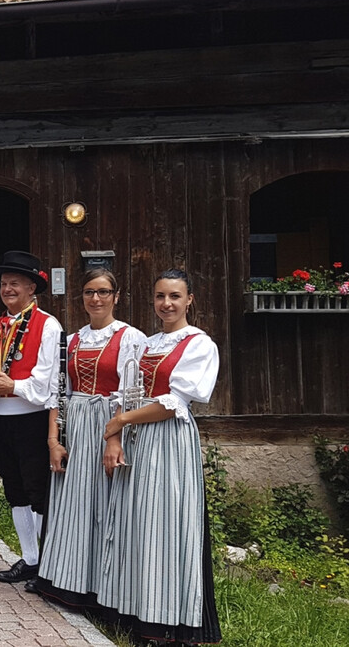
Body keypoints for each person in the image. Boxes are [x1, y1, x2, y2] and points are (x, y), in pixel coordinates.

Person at [96, 269, 221, 644]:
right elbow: (126, 391)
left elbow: (175, 402)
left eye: (175, 297)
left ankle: (168, 621)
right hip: (136, 439)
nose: (167, 304)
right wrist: (114, 438)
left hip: (168, 441)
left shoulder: (199, 344)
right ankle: (139, 612)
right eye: (160, 297)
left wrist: (121, 420)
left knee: (164, 525)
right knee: (136, 523)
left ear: (189, 300)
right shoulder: (146, 344)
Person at [34, 268, 147, 600]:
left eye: (103, 292)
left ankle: (104, 587)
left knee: (105, 504)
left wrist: (113, 437)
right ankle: (69, 579)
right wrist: (54, 441)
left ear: (116, 296)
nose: (95, 299)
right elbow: (58, 392)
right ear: (81, 297)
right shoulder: (72, 339)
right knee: (74, 503)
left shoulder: (130, 337)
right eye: (88, 292)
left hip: (109, 424)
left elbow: (130, 394)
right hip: (77, 424)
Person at [0, 251, 63, 583]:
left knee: (38, 491)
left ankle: (47, 563)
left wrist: (13, 385)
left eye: (15, 284)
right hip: (1, 419)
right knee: (14, 489)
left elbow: (47, 381)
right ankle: (29, 557)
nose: (7, 289)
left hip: (32, 417)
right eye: (4, 284)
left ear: (32, 287)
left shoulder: (47, 326)